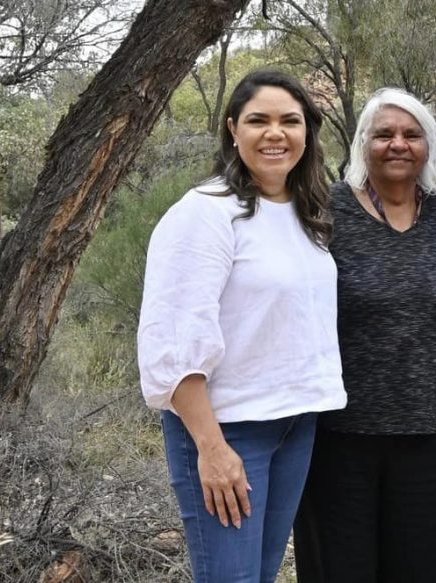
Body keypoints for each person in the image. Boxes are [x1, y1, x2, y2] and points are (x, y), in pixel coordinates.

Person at [137, 69, 346, 583]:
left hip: (295, 423)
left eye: (290, 121)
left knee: (262, 575)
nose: (275, 134)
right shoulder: (204, 214)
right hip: (228, 431)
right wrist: (212, 448)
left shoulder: (305, 213)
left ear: (307, 132)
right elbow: (174, 342)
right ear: (233, 128)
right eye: (259, 120)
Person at [292, 88, 436, 583]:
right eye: (384, 134)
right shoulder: (322, 213)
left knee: (427, 570)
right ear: (362, 144)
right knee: (339, 570)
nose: (398, 144)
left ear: (428, 147)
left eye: (412, 134)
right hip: (341, 434)